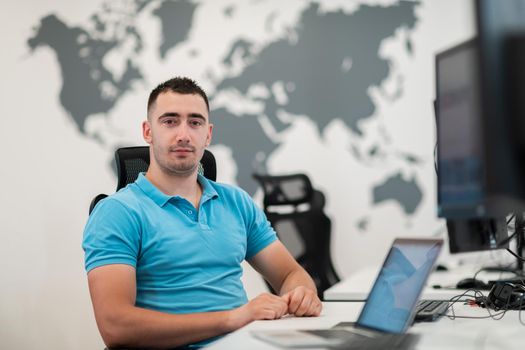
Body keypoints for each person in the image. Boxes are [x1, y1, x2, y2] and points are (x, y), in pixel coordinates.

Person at [82, 77, 322, 349]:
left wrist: (301, 293)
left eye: (194, 122)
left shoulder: (236, 202)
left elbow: (291, 274)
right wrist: (232, 319)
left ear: (208, 134)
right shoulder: (118, 213)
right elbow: (116, 326)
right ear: (148, 131)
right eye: (170, 121)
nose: (184, 134)